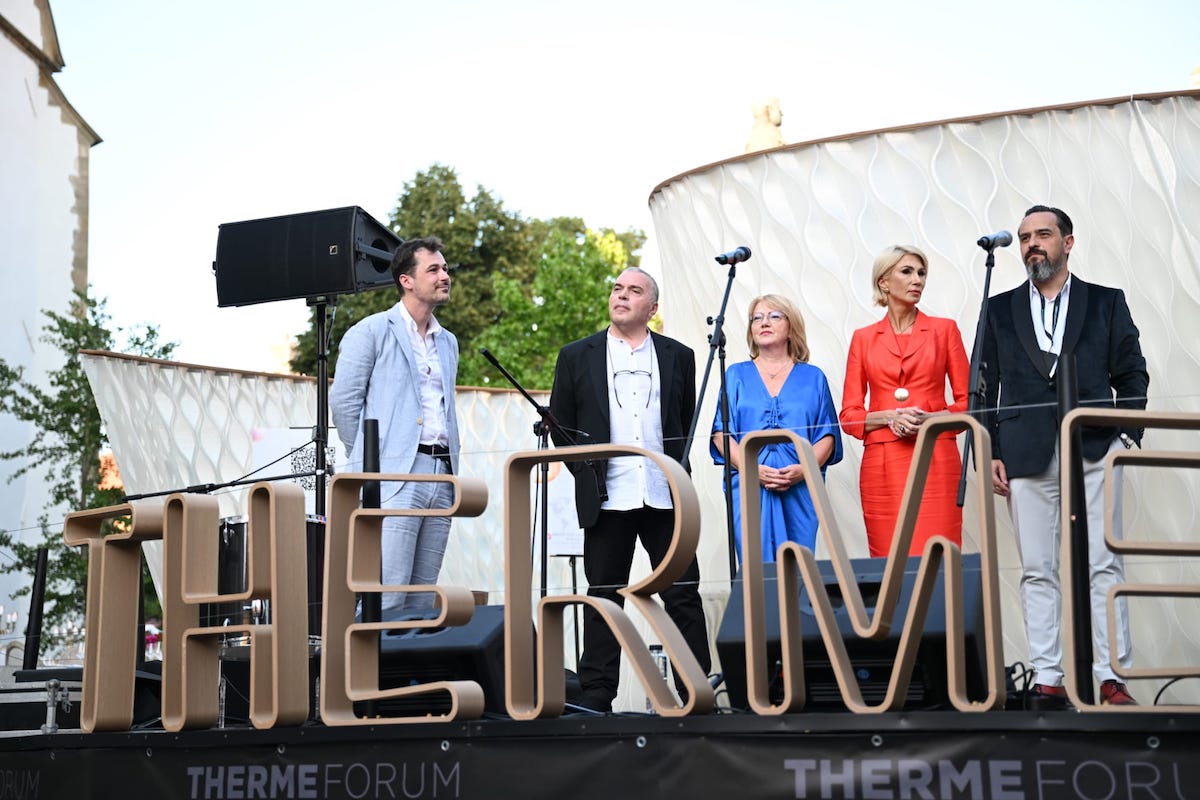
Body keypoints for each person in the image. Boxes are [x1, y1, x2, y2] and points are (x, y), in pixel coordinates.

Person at [982, 205, 1148, 709]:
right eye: (1025, 237)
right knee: (1037, 568)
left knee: (1105, 564)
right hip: (1024, 452)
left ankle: (1112, 678)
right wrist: (991, 450)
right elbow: (983, 386)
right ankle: (1049, 678)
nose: (1032, 243)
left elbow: (1131, 371)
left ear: (1067, 243)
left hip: (1096, 447)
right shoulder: (998, 308)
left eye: (1043, 234)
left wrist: (1125, 436)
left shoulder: (1105, 301)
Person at [548, 267, 711, 712]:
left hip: (665, 492)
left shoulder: (679, 356)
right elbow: (561, 426)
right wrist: (587, 473)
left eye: (634, 291)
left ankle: (695, 693)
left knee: (682, 593)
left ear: (652, 308)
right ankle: (597, 696)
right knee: (604, 595)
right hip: (607, 496)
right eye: (617, 288)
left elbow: (682, 422)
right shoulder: (576, 355)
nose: (621, 295)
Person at [330, 236, 461, 618]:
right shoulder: (370, 331)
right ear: (406, 280)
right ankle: (357, 657)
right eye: (433, 269)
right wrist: (375, 462)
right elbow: (344, 403)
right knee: (387, 596)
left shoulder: (448, 341)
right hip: (394, 475)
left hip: (443, 474)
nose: (444, 276)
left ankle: (405, 661)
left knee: (420, 601)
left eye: (445, 269)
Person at [839, 245, 970, 558]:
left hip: (936, 457)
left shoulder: (944, 330)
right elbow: (849, 415)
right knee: (890, 557)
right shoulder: (863, 338)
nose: (917, 280)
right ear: (884, 282)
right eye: (907, 272)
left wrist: (930, 419)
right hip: (882, 465)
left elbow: (970, 404)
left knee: (940, 555)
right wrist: (889, 417)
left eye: (921, 273)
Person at [710, 294, 843, 560]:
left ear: (791, 327)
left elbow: (827, 435)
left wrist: (804, 469)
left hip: (800, 485)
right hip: (748, 485)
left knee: (799, 564)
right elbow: (721, 434)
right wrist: (752, 469)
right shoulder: (735, 374)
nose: (764, 322)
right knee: (755, 567)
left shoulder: (813, 377)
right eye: (756, 318)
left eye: (774, 316)